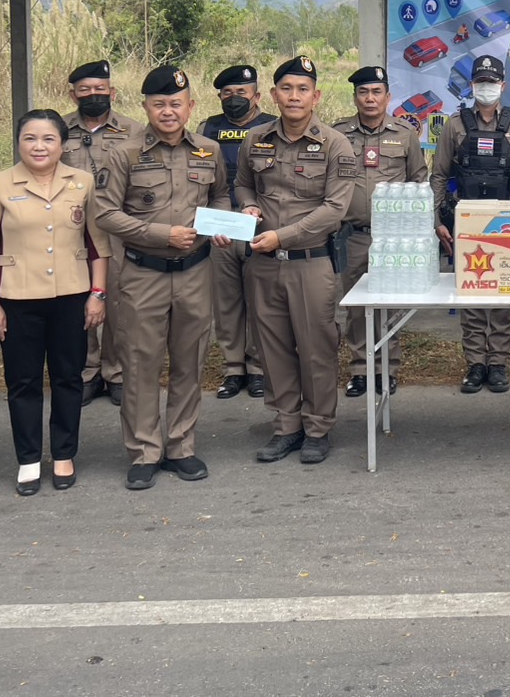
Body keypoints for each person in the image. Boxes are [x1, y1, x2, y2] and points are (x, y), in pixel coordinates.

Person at [94, 66, 231, 490]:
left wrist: (221, 222)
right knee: (140, 365)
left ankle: (181, 447)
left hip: (195, 272)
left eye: (176, 103)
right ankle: (143, 452)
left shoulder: (208, 150)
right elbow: (105, 212)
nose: (168, 111)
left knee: (190, 361)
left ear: (190, 106)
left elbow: (220, 195)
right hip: (143, 273)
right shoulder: (124, 153)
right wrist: (160, 234)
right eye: (159, 104)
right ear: (145, 107)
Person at [0, 110, 109, 495]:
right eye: (30, 138)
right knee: (23, 382)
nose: (39, 146)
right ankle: (29, 459)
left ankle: (64, 454)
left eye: (48, 139)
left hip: (72, 296)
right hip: (17, 299)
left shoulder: (81, 182)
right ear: (18, 142)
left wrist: (98, 294)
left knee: (69, 378)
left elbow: (97, 245)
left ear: (62, 144)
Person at [238, 56, 357, 465]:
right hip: (264, 265)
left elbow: (334, 209)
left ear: (316, 97)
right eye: (286, 89)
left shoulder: (335, 144)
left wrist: (282, 236)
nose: (294, 96)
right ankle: (286, 426)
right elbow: (242, 184)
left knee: (316, 348)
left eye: (302, 89)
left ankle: (318, 427)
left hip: (311, 262)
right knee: (272, 349)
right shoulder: (255, 139)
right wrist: (248, 206)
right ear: (273, 95)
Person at [431, 54, 510, 395]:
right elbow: (439, 176)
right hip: (467, 223)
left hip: (508, 224)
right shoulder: (455, 125)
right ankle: (476, 363)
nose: (486, 88)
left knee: (505, 294)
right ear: (472, 85)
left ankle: (498, 363)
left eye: (491, 82)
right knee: (472, 295)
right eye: (480, 82)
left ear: (503, 86)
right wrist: (437, 220)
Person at [334, 65, 428, 398]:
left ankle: (387, 368)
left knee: (389, 303)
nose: (370, 98)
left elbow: (419, 181)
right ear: (355, 97)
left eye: (376, 92)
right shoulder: (339, 134)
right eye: (363, 92)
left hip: (394, 238)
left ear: (388, 97)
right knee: (357, 307)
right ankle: (361, 370)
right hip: (354, 235)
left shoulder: (405, 134)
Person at [61, 60, 145, 407]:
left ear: (112, 92)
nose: (93, 95)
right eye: (85, 90)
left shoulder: (134, 130)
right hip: (69, 229)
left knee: (117, 301)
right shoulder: (58, 129)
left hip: (116, 229)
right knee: (75, 300)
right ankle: (87, 372)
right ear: (73, 94)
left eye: (100, 89)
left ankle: (117, 373)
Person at [197, 64, 276, 401]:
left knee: (260, 300)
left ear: (256, 96)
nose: (234, 98)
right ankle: (234, 369)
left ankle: (258, 368)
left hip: (261, 224)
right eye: (227, 93)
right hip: (221, 225)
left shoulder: (272, 127)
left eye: (241, 93)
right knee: (227, 302)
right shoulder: (207, 129)